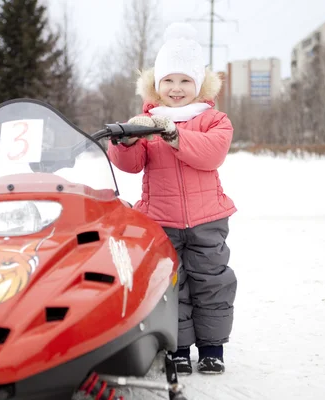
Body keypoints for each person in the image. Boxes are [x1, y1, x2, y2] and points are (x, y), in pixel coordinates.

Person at [107, 22, 237, 375]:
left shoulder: (214, 120)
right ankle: (178, 348)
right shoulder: (147, 121)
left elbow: (211, 155)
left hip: (208, 218)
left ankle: (212, 348)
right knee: (173, 284)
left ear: (198, 84)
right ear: (156, 85)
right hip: (161, 219)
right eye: (168, 81)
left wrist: (175, 135)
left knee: (211, 282)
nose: (176, 89)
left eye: (184, 81)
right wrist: (128, 140)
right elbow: (131, 166)